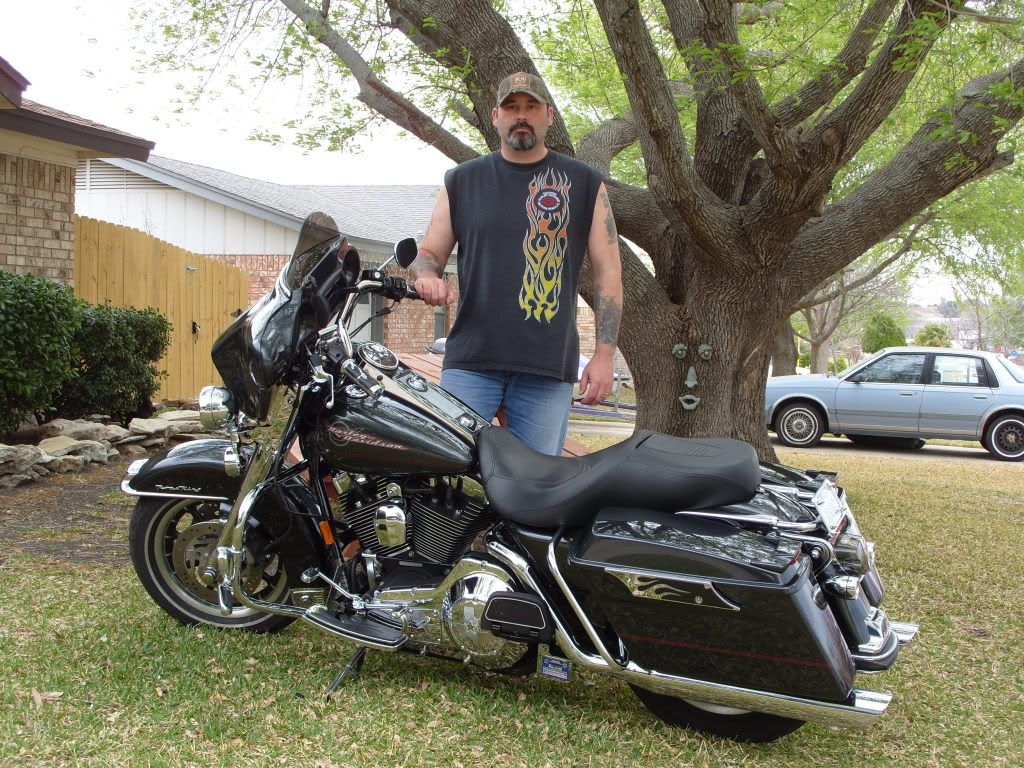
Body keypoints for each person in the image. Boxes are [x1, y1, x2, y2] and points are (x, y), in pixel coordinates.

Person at [412, 71, 622, 456]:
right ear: (495, 116)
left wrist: (605, 356)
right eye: (511, 107)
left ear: (549, 116)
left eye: (531, 107)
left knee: (537, 484)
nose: (521, 115)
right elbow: (430, 253)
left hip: (547, 368)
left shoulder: (585, 183)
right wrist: (426, 275)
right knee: (447, 474)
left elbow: (608, 274)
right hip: (471, 363)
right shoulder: (462, 181)